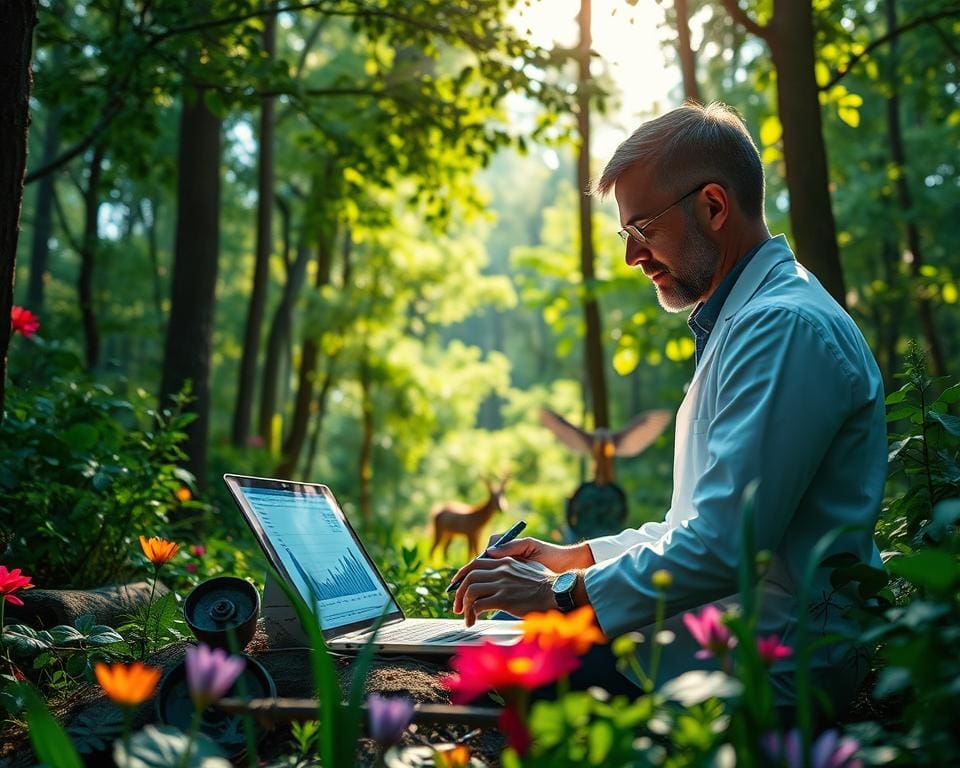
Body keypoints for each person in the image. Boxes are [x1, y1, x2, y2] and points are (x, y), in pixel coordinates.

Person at [449, 102, 887, 714]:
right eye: (626, 234)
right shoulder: (750, 321)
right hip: (729, 637)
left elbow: (723, 547)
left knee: (507, 674)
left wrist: (563, 595)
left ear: (712, 205)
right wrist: (574, 557)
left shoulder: (782, 328)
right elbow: (696, 527)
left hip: (770, 670)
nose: (632, 256)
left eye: (643, 230)